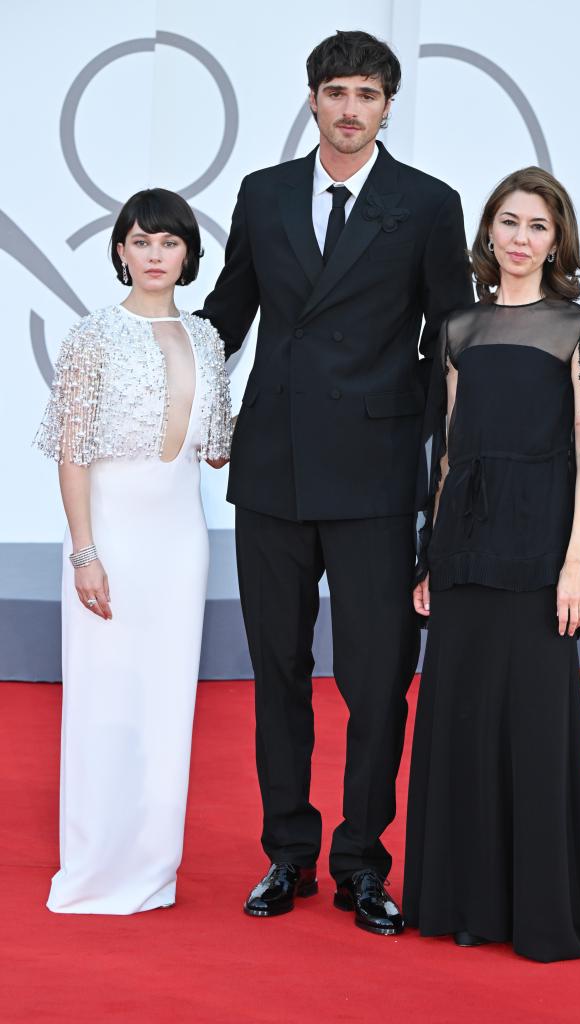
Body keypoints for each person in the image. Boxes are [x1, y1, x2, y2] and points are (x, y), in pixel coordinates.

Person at [197, 30, 471, 935]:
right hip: (271, 470)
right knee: (276, 672)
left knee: (374, 678)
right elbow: (228, 313)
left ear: (387, 104)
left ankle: (361, 861)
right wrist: (143, 344)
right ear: (310, 99)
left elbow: (450, 341)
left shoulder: (426, 204)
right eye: (335, 92)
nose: (350, 109)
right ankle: (288, 855)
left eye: (366, 93)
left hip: (376, 478)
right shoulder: (262, 193)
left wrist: (439, 453)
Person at [403, 167, 580, 962]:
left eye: (536, 225)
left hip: (539, 551)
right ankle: (463, 903)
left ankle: (538, 910)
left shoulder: (574, 327)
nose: (519, 238)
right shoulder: (459, 330)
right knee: (461, 725)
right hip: (464, 552)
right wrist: (430, 556)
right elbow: (446, 452)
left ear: (555, 240)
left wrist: (578, 564)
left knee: (533, 729)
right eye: (508, 222)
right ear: (488, 234)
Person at [34, 188, 232, 913]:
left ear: (187, 255)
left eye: (169, 243)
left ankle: (152, 866)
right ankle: (92, 865)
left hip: (182, 540)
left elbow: (215, 452)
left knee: (165, 699)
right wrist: (85, 552)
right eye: (141, 241)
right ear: (120, 250)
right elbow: (71, 452)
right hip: (110, 535)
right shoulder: (93, 335)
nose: (155, 255)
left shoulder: (207, 339)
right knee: (100, 695)